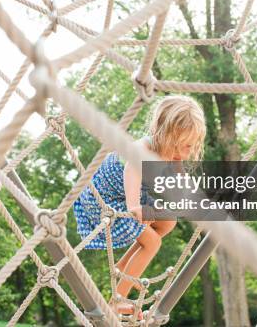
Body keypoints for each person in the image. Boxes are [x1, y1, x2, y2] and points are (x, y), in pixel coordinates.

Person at [73, 95, 206, 318]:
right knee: (152, 242)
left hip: (128, 198)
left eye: (190, 147)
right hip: (105, 202)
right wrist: (135, 205)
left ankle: (125, 267)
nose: (185, 153)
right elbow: (131, 172)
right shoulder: (140, 149)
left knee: (168, 222)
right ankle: (117, 300)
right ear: (164, 135)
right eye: (182, 146)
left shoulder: (172, 154)